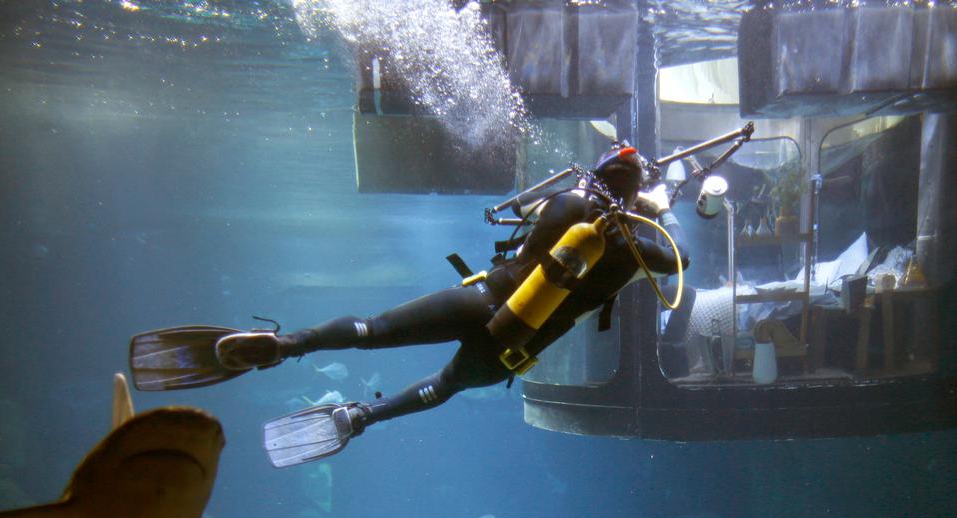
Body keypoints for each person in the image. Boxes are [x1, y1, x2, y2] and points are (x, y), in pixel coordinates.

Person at [130, 144, 688, 464]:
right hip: (516, 340)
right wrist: (658, 213)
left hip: (479, 296)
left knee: (372, 329)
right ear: (637, 195)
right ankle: (362, 415)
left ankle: (285, 343)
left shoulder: (564, 201)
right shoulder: (634, 249)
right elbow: (676, 257)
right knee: (444, 386)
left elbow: (530, 220)